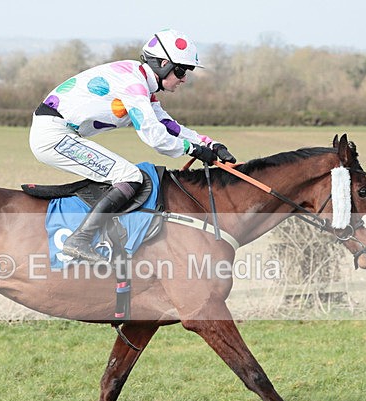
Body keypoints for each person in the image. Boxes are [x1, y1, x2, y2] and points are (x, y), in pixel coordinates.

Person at [29, 29, 236, 263]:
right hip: (52, 136)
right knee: (129, 176)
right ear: (163, 63)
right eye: (181, 70)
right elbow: (155, 136)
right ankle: (80, 240)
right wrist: (192, 149)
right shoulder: (134, 85)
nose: (184, 78)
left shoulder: (140, 82)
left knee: (126, 175)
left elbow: (167, 124)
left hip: (59, 132)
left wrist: (210, 143)